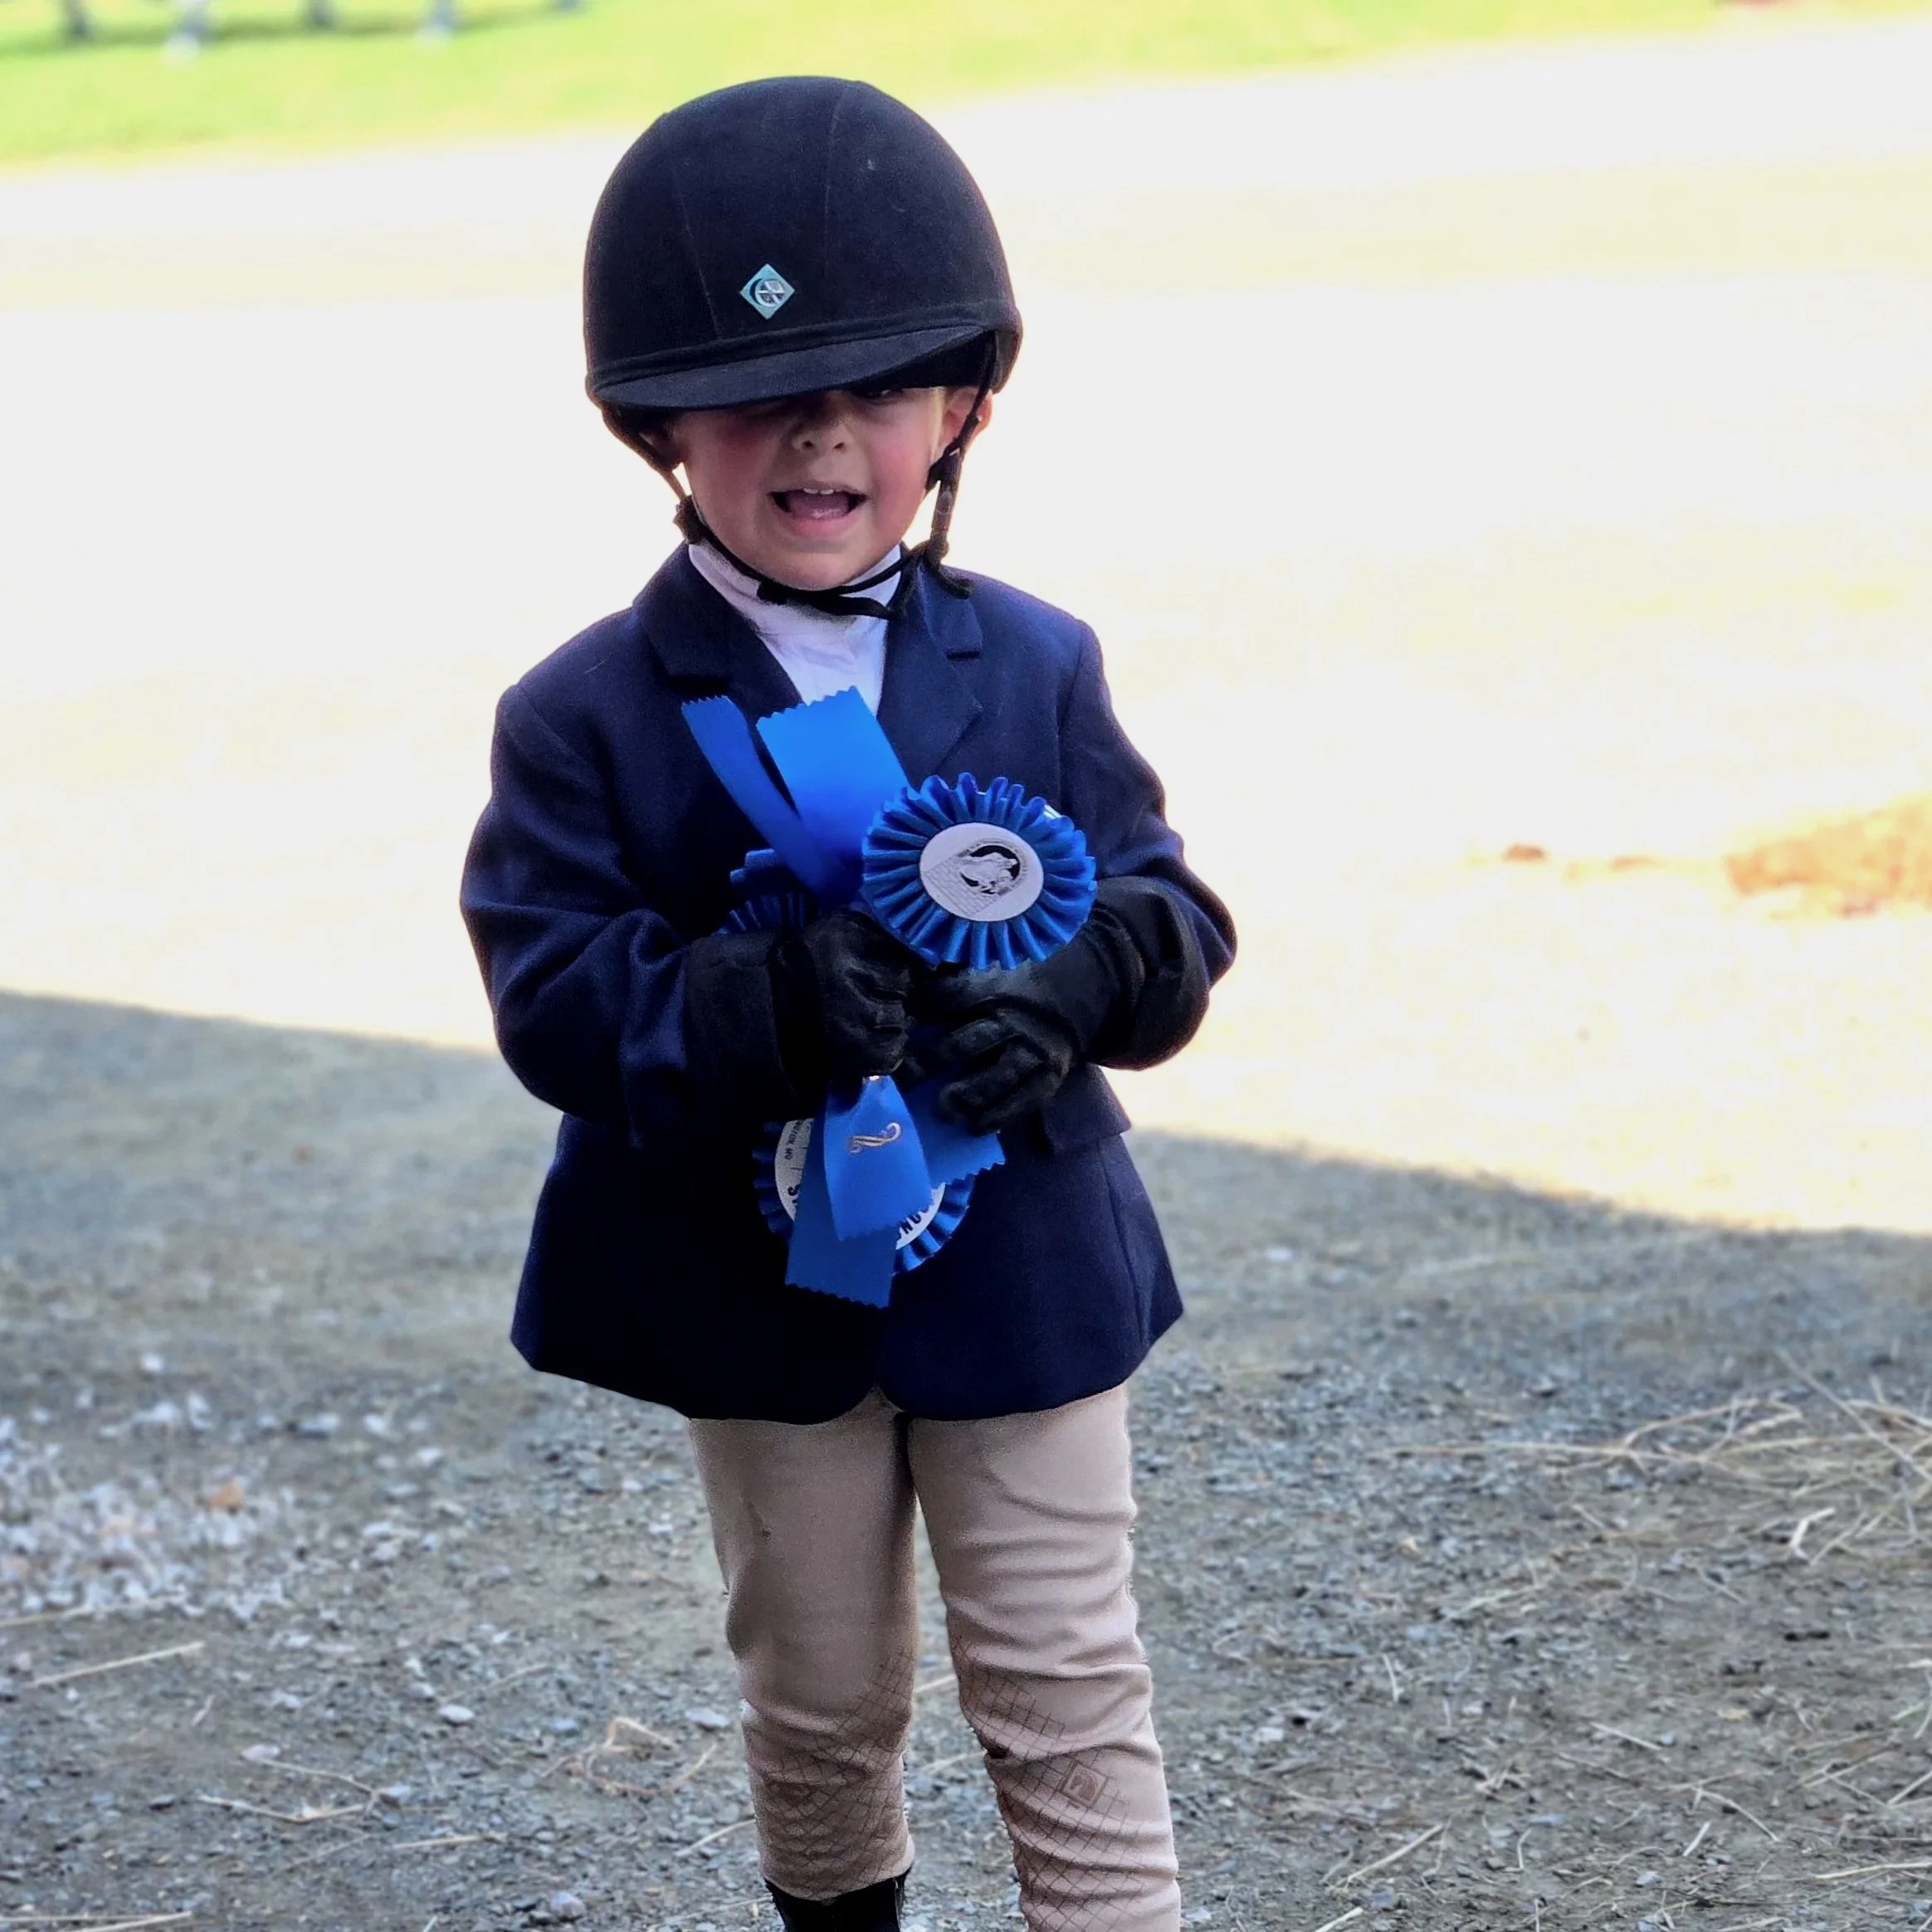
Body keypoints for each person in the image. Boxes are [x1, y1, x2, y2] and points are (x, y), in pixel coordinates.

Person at [460, 76, 1236, 1932]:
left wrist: (1075, 988)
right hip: (762, 1294)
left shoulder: (1039, 660)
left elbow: (1170, 904)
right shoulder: (581, 711)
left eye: (884, 390)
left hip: (1020, 1262)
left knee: (1067, 1690)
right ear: (660, 423)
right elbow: (552, 989)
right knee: (819, 1704)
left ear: (963, 406)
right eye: (762, 400)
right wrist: (760, 1001)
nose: (826, 437)